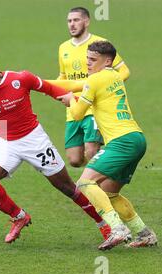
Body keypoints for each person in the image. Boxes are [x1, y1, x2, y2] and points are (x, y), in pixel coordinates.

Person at [0, 53, 111, 244]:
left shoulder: (21, 79)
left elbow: (50, 89)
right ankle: (19, 217)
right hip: (7, 143)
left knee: (67, 187)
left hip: (34, 141)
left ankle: (105, 225)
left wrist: (77, 100)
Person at [57, 41, 157, 250]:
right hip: (136, 138)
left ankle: (117, 229)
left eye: (93, 60)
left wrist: (70, 100)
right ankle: (145, 234)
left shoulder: (95, 80)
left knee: (85, 183)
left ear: (108, 60)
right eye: (87, 59)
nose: (88, 64)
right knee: (109, 193)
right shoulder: (114, 76)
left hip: (122, 141)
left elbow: (76, 115)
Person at [57, 7, 130, 167]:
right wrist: (51, 88)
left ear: (87, 21)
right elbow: (64, 76)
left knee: (91, 151)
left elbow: (124, 71)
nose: (72, 24)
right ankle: (99, 168)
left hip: (92, 107)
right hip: (73, 107)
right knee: (75, 160)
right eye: (69, 21)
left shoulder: (100, 45)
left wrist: (108, 84)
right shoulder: (63, 48)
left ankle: (95, 182)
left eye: (76, 20)